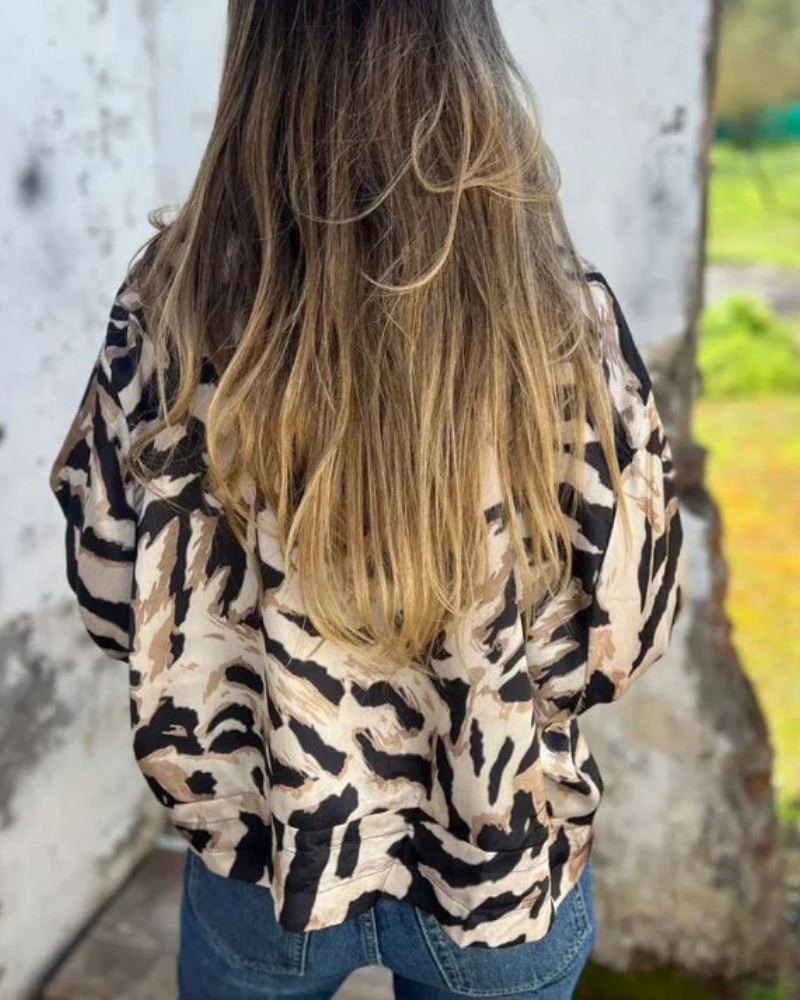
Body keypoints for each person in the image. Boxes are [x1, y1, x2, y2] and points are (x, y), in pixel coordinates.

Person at [49, 1, 685, 998]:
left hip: (267, 857)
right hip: (494, 864)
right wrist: (482, 689)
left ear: (258, 57)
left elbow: (106, 595)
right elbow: (624, 629)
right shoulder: (558, 318)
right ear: (463, 53)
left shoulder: (168, 312)